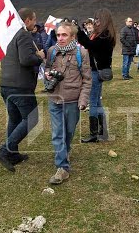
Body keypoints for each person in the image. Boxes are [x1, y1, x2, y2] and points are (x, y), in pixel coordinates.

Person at [0, 8, 45, 172]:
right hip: (20, 86)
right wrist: (40, 57)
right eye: (34, 19)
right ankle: (5, 150)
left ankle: (13, 154)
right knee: (32, 118)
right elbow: (25, 60)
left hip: (6, 85)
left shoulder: (8, 35)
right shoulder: (23, 34)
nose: (35, 22)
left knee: (15, 119)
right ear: (27, 20)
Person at [45, 22, 91, 184]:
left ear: (72, 36)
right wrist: (48, 75)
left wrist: (83, 100)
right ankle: (62, 168)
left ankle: (66, 151)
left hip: (73, 101)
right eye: (58, 35)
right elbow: (46, 71)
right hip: (55, 99)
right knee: (58, 133)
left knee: (69, 132)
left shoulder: (82, 53)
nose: (60, 38)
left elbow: (87, 80)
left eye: (64, 35)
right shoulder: (51, 51)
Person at [77, 8, 116, 143]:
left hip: (96, 71)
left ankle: (94, 134)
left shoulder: (103, 36)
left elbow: (89, 44)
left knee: (93, 102)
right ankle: (103, 132)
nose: (96, 22)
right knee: (97, 102)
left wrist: (78, 31)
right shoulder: (106, 34)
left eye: (98, 19)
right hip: (99, 70)